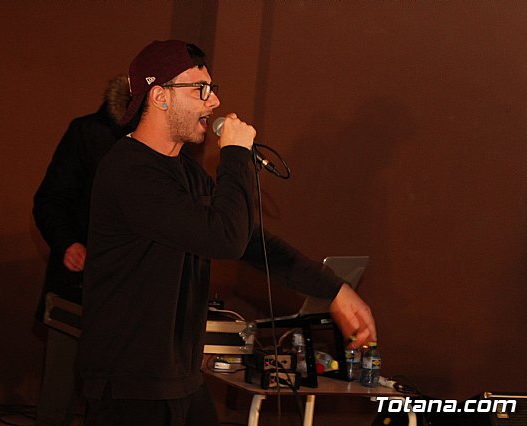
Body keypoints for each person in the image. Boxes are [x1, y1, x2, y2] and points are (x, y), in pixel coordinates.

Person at [79, 40, 377, 426]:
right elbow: (225, 239)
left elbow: (250, 241)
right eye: (200, 90)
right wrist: (235, 154)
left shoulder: (187, 174)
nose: (214, 101)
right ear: (160, 96)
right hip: (129, 385)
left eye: (212, 89)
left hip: (178, 378)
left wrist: (334, 290)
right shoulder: (129, 171)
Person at [32, 74, 135, 426]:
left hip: (132, 290)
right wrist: (68, 244)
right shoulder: (87, 133)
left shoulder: (167, 147)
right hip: (77, 286)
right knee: (59, 387)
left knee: (117, 395)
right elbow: (50, 200)